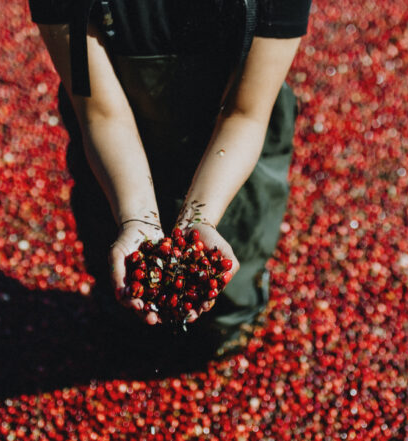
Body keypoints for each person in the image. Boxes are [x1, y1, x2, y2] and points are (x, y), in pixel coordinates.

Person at [29, 0, 312, 357]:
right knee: (124, 302)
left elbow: (244, 113)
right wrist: (136, 218)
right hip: (114, 155)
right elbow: (102, 114)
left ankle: (224, 335)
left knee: (226, 305)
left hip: (234, 156)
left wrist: (201, 218)